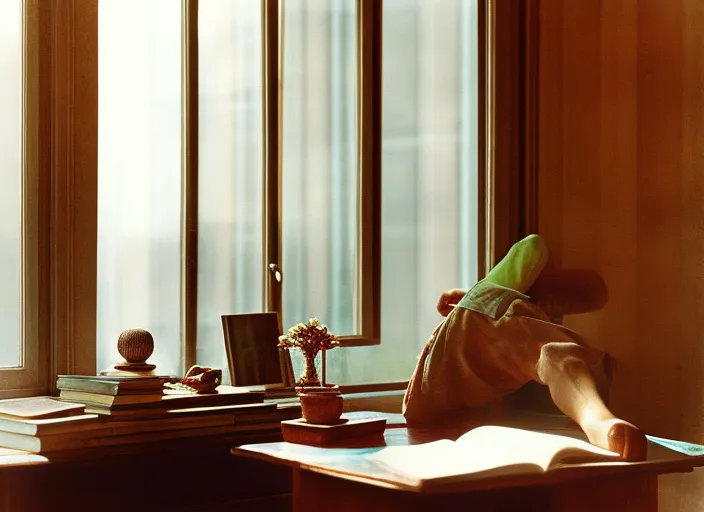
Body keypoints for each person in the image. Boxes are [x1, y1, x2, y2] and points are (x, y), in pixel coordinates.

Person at [403, 234, 647, 461]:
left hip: (447, 391)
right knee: (556, 356)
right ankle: (601, 421)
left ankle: (601, 422)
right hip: (465, 346)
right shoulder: (491, 308)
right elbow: (533, 247)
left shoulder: (502, 324)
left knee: (554, 354)